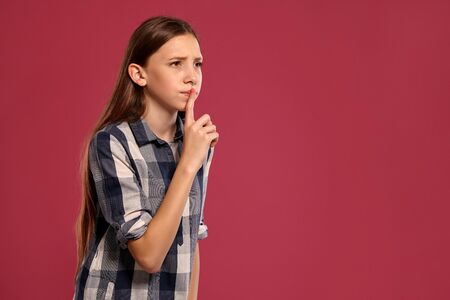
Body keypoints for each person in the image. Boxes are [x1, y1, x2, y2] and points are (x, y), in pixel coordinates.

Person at [73, 15, 219, 299]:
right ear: (139, 74)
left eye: (197, 63)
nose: (192, 76)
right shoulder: (112, 143)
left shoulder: (196, 142)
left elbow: (190, 238)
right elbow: (149, 256)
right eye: (176, 64)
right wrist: (189, 163)